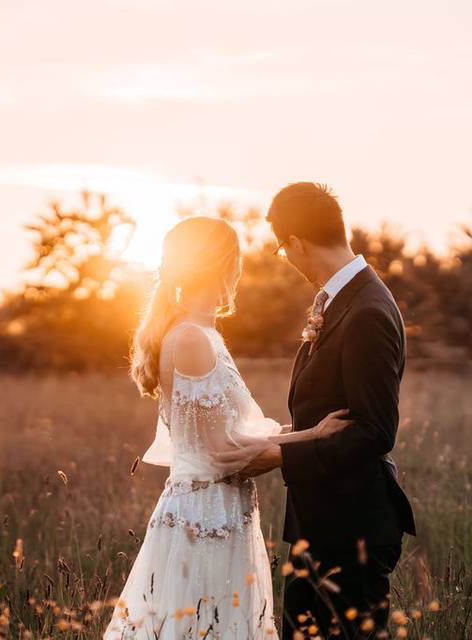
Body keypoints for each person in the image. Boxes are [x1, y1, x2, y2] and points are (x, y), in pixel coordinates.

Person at [105, 216, 351, 640]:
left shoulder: (202, 332)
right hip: (205, 517)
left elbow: (232, 432)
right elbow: (226, 452)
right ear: (224, 265)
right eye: (237, 260)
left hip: (223, 510)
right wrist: (313, 436)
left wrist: (302, 427)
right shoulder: (190, 339)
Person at [216, 182, 416, 638]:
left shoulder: (366, 310)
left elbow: (374, 430)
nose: (283, 257)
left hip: (353, 531)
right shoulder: (338, 298)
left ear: (297, 243)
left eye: (281, 247)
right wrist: (283, 437)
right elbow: (325, 414)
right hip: (320, 520)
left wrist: (279, 455)